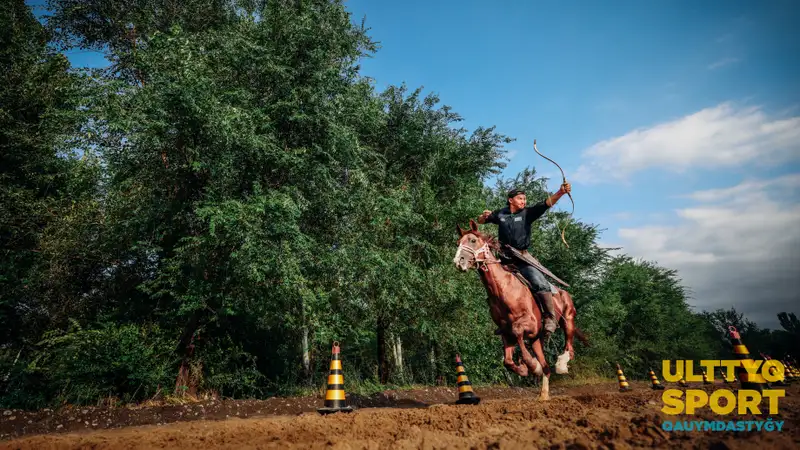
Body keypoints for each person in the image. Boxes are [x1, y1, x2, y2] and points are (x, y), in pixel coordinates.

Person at [477, 183, 572, 341]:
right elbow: (482, 220)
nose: (524, 201)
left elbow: (546, 203)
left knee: (539, 282)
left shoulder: (528, 213)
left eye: (525, 198)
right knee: (492, 285)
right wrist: (483, 216)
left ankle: (550, 318)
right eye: (520, 198)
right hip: (504, 260)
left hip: (522, 259)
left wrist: (561, 192)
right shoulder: (501, 214)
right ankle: (503, 321)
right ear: (511, 200)